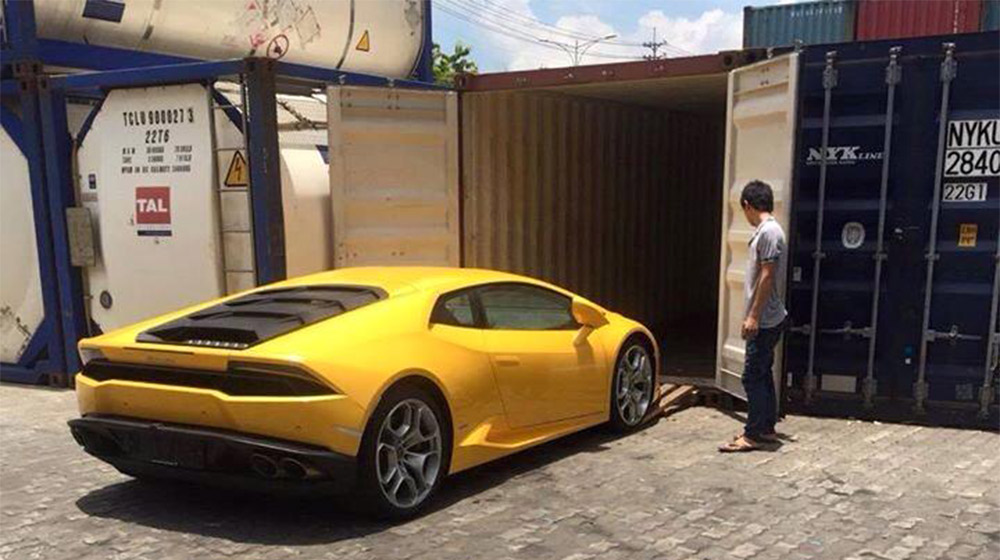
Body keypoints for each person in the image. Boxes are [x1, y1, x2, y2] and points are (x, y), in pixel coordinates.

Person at [719, 180, 787, 453]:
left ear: (747, 205)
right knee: (762, 373)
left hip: (766, 319)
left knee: (751, 377)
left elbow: (767, 276)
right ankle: (766, 427)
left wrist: (753, 317)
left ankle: (754, 433)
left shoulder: (769, 232)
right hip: (769, 317)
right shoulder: (768, 231)